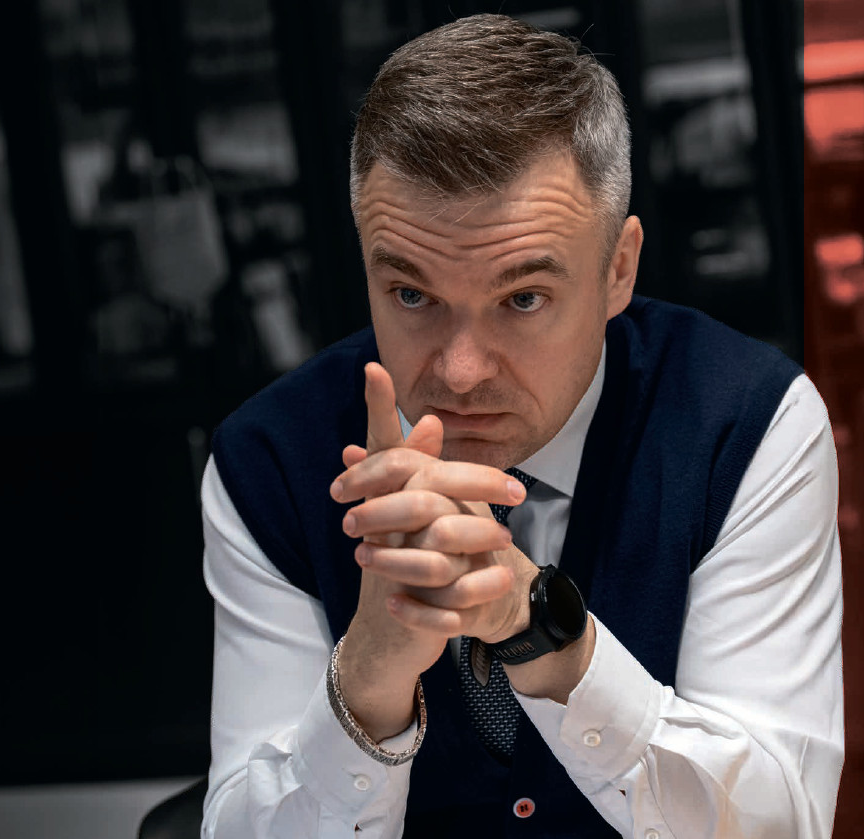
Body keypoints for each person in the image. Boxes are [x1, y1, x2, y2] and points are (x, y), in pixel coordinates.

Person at [201, 14, 842, 838]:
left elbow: (782, 823)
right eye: (411, 295)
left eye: (523, 298)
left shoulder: (745, 424)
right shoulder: (269, 463)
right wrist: (366, 677)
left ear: (618, 269)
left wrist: (537, 629)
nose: (462, 371)